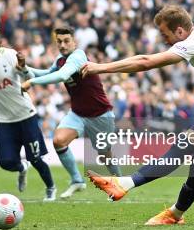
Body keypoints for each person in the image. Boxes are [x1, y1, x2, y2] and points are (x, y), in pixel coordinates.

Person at [82, 4, 194, 225]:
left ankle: (166, 210)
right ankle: (144, 196)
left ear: (179, 31)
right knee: (183, 145)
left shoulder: (192, 44)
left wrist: (99, 68)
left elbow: (145, 62)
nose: (164, 40)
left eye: (165, 35)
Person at [21, 26, 122, 199]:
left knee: (104, 154)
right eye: (59, 41)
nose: (62, 44)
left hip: (100, 114)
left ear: (74, 42)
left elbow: (61, 76)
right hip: (77, 114)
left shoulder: (78, 56)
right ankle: (77, 180)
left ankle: (120, 182)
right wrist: (24, 69)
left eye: (66, 41)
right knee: (59, 140)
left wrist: (32, 82)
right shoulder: (61, 59)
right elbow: (47, 73)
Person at [0, 27, 56, 201]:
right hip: (4, 119)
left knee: (36, 159)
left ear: (0, 43)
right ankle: (22, 169)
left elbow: (29, 77)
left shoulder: (10, 55)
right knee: (5, 162)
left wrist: (22, 68)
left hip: (26, 114)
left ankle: (51, 188)